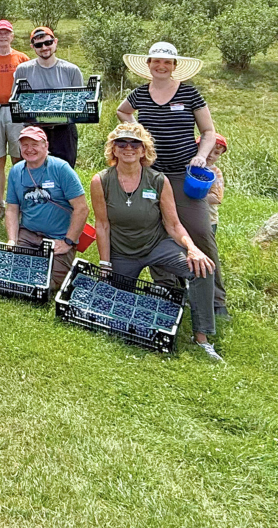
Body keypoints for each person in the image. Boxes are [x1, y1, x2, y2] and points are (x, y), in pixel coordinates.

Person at [90, 122, 221, 361]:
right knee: (114, 309)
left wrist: (192, 249)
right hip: (122, 251)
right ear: (114, 150)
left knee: (203, 268)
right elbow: (102, 225)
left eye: (134, 144)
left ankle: (201, 337)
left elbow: (173, 224)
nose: (128, 148)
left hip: (156, 245)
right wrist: (105, 263)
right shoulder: (100, 181)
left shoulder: (159, 180)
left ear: (143, 150)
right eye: (122, 143)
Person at [116, 42, 222, 305]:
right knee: (156, 230)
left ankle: (216, 300)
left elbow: (208, 131)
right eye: (156, 62)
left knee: (200, 232)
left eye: (167, 62)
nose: (161, 66)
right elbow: (122, 111)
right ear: (149, 65)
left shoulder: (190, 93)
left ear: (175, 67)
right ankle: (170, 291)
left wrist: (201, 155)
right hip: (151, 174)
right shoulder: (140, 94)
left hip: (183, 175)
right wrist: (137, 129)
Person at [5, 126, 89, 291]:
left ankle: (63, 265)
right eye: (25, 145)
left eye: (34, 144)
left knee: (45, 285)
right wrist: (12, 240)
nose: (29, 149)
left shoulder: (61, 169)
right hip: (28, 235)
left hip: (58, 238)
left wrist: (68, 242)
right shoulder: (16, 171)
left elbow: (82, 208)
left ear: (46, 146)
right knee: (14, 277)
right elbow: (11, 210)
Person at [13, 26, 83, 167]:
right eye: (39, 45)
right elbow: (16, 100)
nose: (44, 47)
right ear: (33, 47)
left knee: (64, 171)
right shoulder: (23, 70)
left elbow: (80, 103)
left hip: (63, 130)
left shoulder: (71, 70)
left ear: (55, 42)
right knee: (34, 171)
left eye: (48, 43)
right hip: (34, 130)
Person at [0, 20, 30, 220]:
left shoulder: (21, 58)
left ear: (12, 36)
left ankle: (20, 202)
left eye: (7, 33)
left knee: (19, 158)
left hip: (16, 110)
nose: (3, 36)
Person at [202, 134, 230, 319]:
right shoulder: (189, 166)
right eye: (210, 150)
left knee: (208, 257)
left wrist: (194, 195)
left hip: (208, 221)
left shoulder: (214, 172)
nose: (212, 155)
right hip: (185, 219)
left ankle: (218, 301)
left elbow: (217, 198)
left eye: (217, 153)